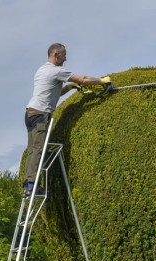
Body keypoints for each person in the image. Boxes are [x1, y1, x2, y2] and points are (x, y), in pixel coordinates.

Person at [22, 43, 111, 198]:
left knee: (32, 150)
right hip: (40, 114)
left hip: (30, 113)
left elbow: (53, 93)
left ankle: (28, 185)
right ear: (56, 55)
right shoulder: (56, 71)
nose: (66, 58)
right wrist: (102, 81)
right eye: (64, 55)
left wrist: (69, 87)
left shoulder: (42, 69)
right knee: (38, 150)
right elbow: (83, 79)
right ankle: (31, 186)